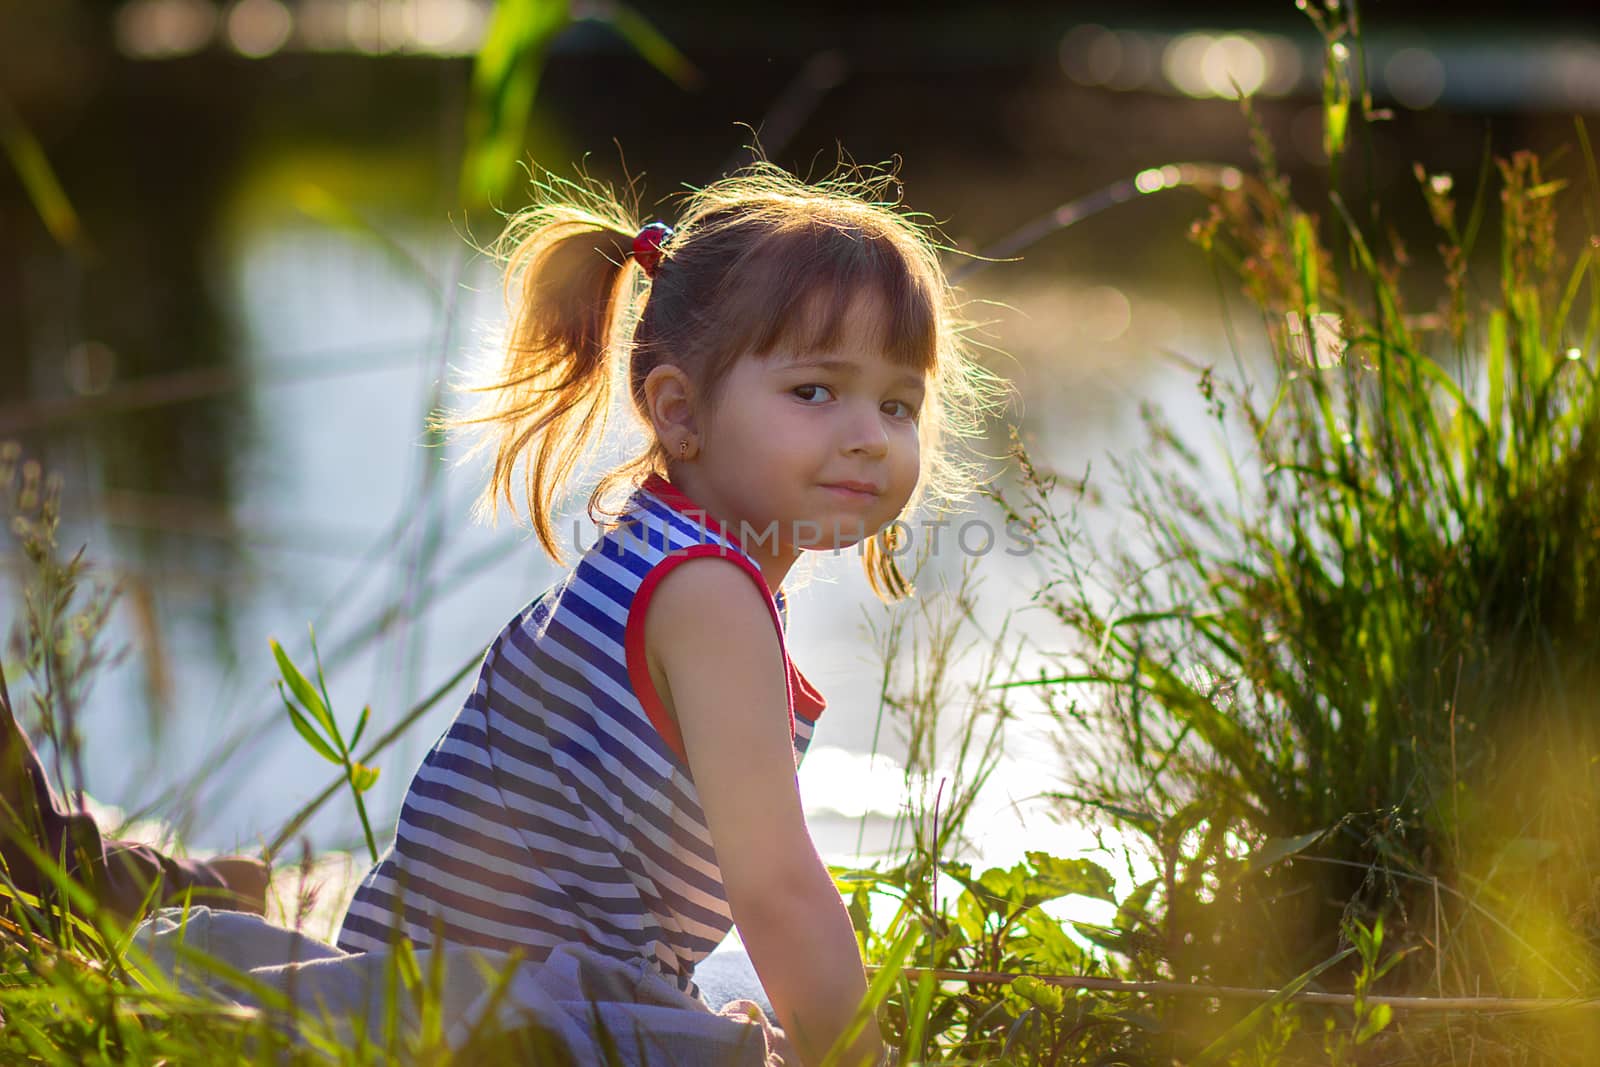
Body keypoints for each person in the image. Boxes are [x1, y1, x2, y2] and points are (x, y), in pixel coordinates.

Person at [333, 160, 1005, 1067]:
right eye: (815, 390)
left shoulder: (663, 550)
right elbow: (776, 889)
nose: (869, 434)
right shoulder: (707, 594)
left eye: (898, 404)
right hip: (507, 1017)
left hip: (449, 981)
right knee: (766, 1005)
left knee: (745, 998)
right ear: (680, 412)